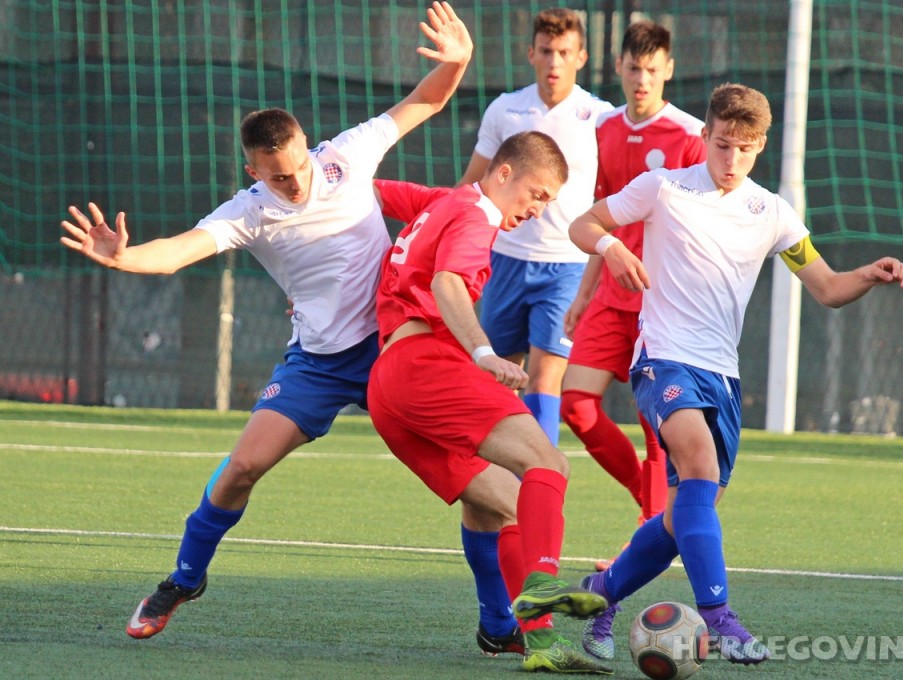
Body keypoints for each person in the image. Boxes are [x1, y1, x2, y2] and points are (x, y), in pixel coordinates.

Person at [59, 1, 474, 642]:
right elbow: (179, 253)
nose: (293, 185)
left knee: (474, 481)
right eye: (275, 178)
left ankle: (500, 622)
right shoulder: (248, 211)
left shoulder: (350, 155)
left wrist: (459, 61)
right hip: (318, 362)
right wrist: (125, 258)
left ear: (309, 143)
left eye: (297, 168)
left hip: (396, 348)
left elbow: (425, 102)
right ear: (252, 171)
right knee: (241, 469)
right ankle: (184, 579)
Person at [568, 82, 903, 664]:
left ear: (760, 148)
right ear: (704, 136)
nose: (731, 160)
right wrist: (611, 247)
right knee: (696, 465)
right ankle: (722, 619)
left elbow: (826, 287)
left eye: (744, 149)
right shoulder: (664, 188)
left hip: (722, 378)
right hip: (663, 360)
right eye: (722, 144)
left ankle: (598, 596)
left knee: (682, 519)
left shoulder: (771, 212)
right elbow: (582, 224)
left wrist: (869, 274)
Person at [368, 130, 611, 675]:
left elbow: (367, 190)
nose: (538, 209)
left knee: (499, 505)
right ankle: (544, 593)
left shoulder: (441, 201)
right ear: (503, 173)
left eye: (549, 202)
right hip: (425, 366)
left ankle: (528, 639)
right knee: (550, 463)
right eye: (537, 193)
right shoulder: (476, 215)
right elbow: (449, 280)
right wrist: (483, 352)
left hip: (387, 389)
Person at [558, 20, 706, 583]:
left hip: (661, 304)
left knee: (656, 429)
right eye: (632, 68)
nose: (641, 78)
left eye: (652, 69)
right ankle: (646, 504)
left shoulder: (691, 136)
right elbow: (604, 212)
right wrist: (585, 290)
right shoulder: (606, 129)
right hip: (611, 297)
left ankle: (648, 531)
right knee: (577, 404)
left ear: (667, 70)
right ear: (617, 68)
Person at [457, 8, 613, 446]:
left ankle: (538, 482)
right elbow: (473, 184)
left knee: (545, 379)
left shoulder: (600, 117)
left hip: (566, 266)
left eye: (564, 52)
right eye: (546, 51)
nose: (554, 62)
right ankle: (500, 477)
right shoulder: (506, 109)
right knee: (498, 376)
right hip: (504, 260)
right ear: (530, 53)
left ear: (581, 57)